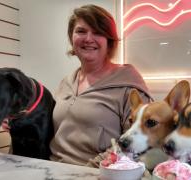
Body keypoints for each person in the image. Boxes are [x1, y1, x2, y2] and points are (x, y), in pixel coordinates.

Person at [49, 4, 152, 167]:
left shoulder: (128, 84)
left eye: (97, 32)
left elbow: (139, 141)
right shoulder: (66, 82)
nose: (88, 38)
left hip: (97, 173)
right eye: (81, 31)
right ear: (72, 38)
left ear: (109, 41)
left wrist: (91, 170)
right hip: (51, 168)